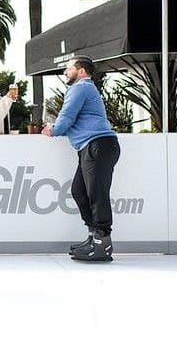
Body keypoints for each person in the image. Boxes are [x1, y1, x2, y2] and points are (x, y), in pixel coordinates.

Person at [42, 56, 121, 262]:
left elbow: (67, 116)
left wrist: (53, 129)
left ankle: (102, 244)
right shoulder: (85, 89)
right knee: (80, 191)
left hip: (98, 145)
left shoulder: (80, 87)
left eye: (69, 69)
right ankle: (93, 237)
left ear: (82, 72)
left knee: (96, 194)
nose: (65, 72)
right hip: (92, 146)